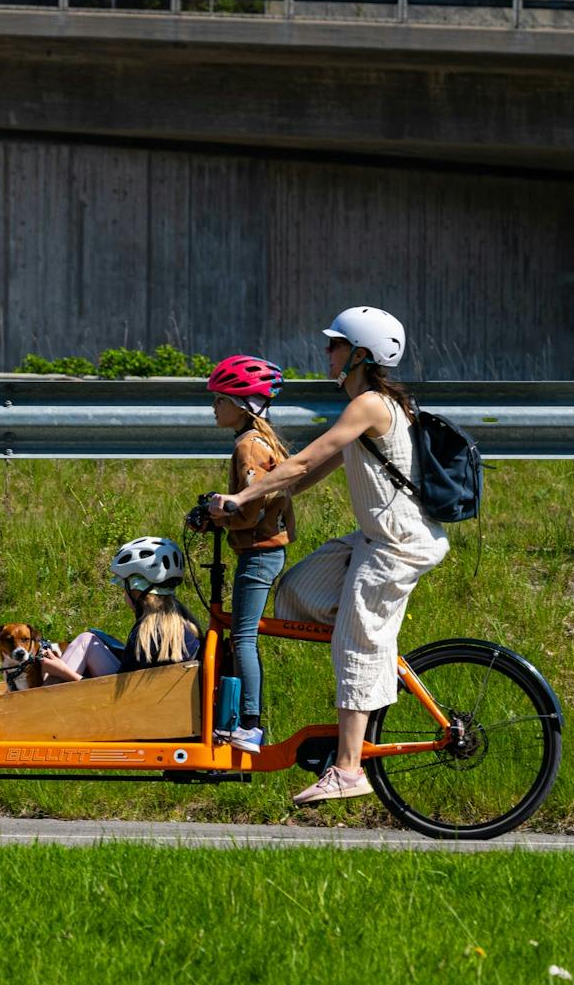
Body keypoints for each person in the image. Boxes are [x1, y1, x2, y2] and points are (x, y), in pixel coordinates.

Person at [211, 306, 447, 805]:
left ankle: (348, 768)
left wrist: (241, 497)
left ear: (360, 355)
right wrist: (270, 498)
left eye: (336, 344)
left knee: (354, 644)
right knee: (298, 590)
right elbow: (316, 469)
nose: (327, 351)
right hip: (374, 538)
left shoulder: (371, 405)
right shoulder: (369, 404)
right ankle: (372, 647)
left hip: (396, 545)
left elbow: (304, 460)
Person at [201, 354, 293, 754]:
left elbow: (251, 508)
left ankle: (250, 725)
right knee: (241, 634)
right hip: (259, 550)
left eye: (220, 399)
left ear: (241, 405)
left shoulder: (248, 447)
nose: (214, 406)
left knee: (242, 637)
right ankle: (239, 718)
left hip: (259, 553)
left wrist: (218, 517)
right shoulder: (257, 441)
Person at [38, 537, 203, 683]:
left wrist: (65, 672)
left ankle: (39, 704)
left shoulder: (145, 635)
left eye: (125, 586)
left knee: (75, 653)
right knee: (87, 640)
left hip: (138, 705)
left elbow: (118, 700)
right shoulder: (185, 623)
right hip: (168, 701)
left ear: (136, 590)